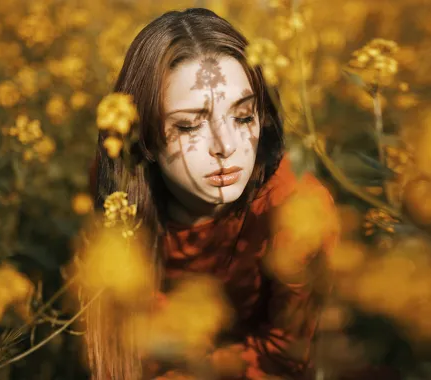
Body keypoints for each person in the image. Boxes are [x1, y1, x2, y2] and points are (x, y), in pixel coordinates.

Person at [87, 7, 338, 380]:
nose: (226, 146)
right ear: (143, 140)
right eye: (189, 126)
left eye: (243, 116)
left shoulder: (297, 208)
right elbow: (116, 356)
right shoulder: (119, 204)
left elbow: (290, 357)